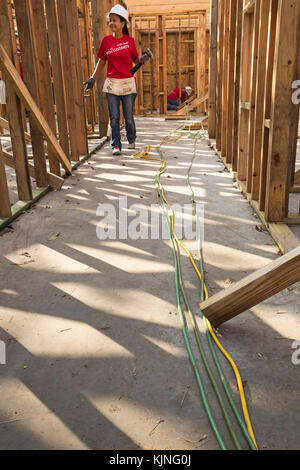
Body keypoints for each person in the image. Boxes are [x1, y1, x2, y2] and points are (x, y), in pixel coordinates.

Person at [84, 4, 139, 155]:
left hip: (128, 83)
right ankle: (116, 145)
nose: (112, 23)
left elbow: (136, 60)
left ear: (123, 23)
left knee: (128, 117)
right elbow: (101, 62)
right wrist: (92, 79)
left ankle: (131, 139)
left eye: (115, 20)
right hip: (112, 84)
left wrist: (143, 60)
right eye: (110, 20)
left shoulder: (130, 41)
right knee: (114, 117)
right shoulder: (106, 41)